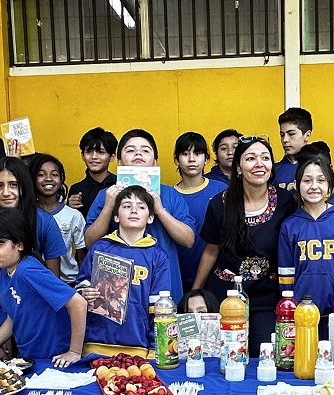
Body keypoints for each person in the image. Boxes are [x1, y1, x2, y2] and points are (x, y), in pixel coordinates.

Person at [194, 136, 298, 348]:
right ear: (239, 168)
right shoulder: (219, 204)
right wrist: (194, 292)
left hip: (267, 298)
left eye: (265, 158)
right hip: (226, 296)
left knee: (265, 351)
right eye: (250, 158)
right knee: (225, 357)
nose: (259, 164)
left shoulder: (286, 202)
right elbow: (211, 251)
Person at [0, 209, 87, 367]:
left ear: (19, 244)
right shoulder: (5, 271)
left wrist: (74, 352)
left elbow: (79, 303)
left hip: (55, 359)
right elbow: (13, 317)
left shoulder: (28, 271)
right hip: (30, 358)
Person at [0, 156, 67, 345]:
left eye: (13, 185)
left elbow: (53, 279)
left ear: (24, 186)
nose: (6, 192)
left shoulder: (43, 221)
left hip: (36, 304)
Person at [84, 129, 196, 293]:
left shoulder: (170, 194)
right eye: (130, 150)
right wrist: (109, 207)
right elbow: (89, 243)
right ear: (120, 162)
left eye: (145, 150)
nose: (138, 153)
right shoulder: (106, 195)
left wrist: (160, 210)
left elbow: (188, 240)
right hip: (118, 293)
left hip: (164, 289)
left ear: (155, 161)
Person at [76, 186, 174, 354]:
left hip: (138, 346)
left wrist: (154, 348)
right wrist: (84, 293)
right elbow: (80, 287)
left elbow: (159, 308)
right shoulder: (100, 247)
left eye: (141, 207)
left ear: (150, 218)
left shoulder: (158, 255)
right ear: (116, 216)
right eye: (127, 206)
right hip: (96, 344)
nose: (134, 210)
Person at [278, 155, 334, 334]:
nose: (314, 186)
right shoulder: (289, 225)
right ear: (297, 185)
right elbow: (286, 276)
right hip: (302, 316)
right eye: (307, 180)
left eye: (321, 180)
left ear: (330, 186)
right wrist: (293, 310)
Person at [172, 133, 227, 291]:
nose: (191, 159)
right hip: (178, 273)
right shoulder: (169, 196)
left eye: (197, 153)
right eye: (185, 154)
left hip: (215, 275)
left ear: (207, 159)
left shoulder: (221, 191)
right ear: (176, 159)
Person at [29, 153, 87, 285]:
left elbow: (81, 254)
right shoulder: (28, 214)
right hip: (35, 281)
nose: (48, 179)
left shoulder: (74, 215)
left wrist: (83, 282)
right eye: (41, 174)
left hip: (69, 282)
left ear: (61, 179)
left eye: (54, 174)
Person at [67, 127, 118, 213]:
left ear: (112, 157)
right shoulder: (76, 189)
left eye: (101, 152)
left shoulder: (119, 185)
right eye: (89, 151)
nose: (94, 157)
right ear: (82, 156)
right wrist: (69, 208)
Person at [274, 107, 313, 191]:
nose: (285, 140)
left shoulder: (319, 168)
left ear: (307, 135)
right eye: (282, 135)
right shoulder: (273, 170)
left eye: (291, 134)